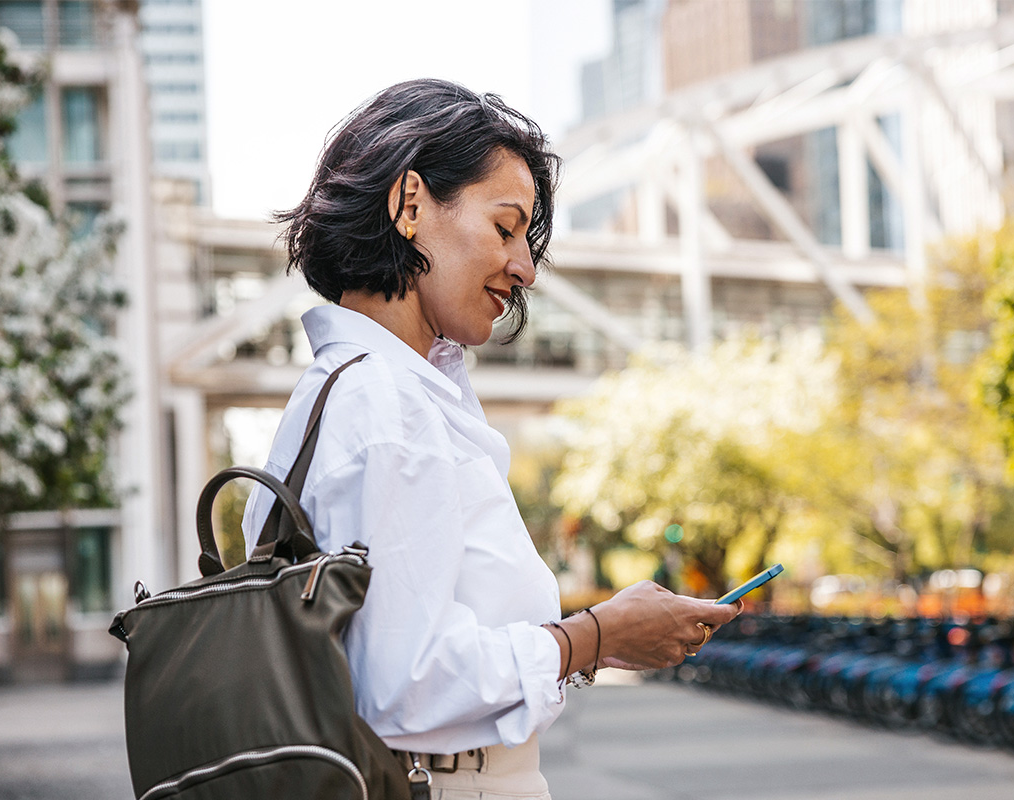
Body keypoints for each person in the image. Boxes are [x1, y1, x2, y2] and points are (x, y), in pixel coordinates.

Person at [242, 78, 740, 800]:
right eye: (505, 228)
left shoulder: (334, 395)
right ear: (409, 204)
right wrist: (598, 636)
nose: (526, 268)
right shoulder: (386, 406)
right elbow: (404, 686)